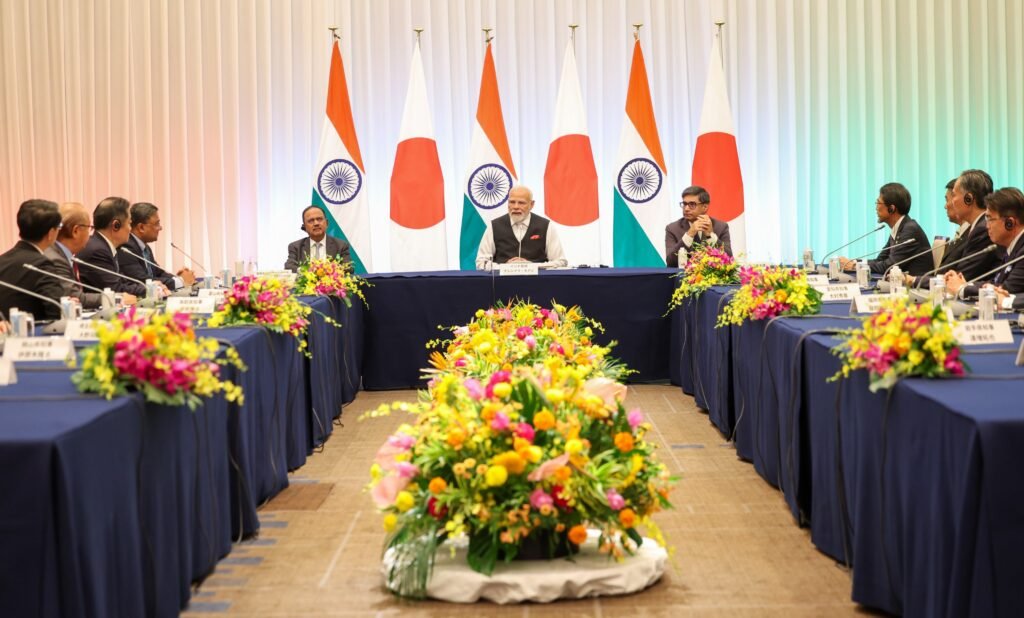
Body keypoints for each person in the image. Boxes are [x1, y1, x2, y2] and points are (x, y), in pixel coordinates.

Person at [945, 187, 1024, 307]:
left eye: (990, 219)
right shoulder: (1012, 248)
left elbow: (1006, 290)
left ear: (1010, 223)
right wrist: (966, 285)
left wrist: (962, 289)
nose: (987, 226)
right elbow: (996, 283)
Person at [43, 202, 128, 309]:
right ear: (76, 231)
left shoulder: (62, 254)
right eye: (89, 228)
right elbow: (75, 297)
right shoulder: (55, 258)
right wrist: (114, 298)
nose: (90, 234)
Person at [839, 182, 932, 276]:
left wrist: (855, 266)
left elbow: (889, 266)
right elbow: (880, 260)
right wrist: (853, 262)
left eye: (878, 203)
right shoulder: (899, 227)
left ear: (891, 208)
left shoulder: (910, 230)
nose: (876, 207)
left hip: (917, 288)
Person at [0, 199, 65, 320]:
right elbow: (57, 312)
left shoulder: (2, 259)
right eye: (59, 226)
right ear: (51, 233)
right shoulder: (41, 264)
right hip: (34, 334)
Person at [475, 185, 567, 269]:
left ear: (531, 205)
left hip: (537, 283)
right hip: (502, 283)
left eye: (521, 203)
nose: (515, 207)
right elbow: (481, 263)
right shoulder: (494, 226)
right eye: (512, 202)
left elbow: (561, 262)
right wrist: (505, 267)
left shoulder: (546, 226)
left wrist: (531, 266)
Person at [76, 197, 147, 297]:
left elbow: (123, 281)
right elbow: (115, 289)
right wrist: (149, 289)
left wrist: (149, 286)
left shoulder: (104, 246)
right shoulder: (98, 251)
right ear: (116, 225)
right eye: (129, 223)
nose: (130, 229)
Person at [117, 202, 195, 290]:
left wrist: (178, 278)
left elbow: (159, 273)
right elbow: (143, 281)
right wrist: (181, 281)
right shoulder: (126, 248)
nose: (160, 228)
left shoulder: (145, 248)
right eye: (157, 224)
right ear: (141, 227)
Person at [665, 185, 733, 266]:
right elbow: (670, 262)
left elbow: (729, 260)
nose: (686, 208)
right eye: (684, 204)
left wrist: (711, 236)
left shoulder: (721, 227)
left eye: (692, 204)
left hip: (712, 277)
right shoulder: (672, 228)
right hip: (683, 277)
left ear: (705, 207)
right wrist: (689, 235)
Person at [284, 205, 351, 272]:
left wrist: (326, 271)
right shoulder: (296, 247)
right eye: (311, 221)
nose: (316, 223)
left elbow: (348, 268)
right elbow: (289, 267)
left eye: (319, 219)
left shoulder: (341, 245)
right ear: (305, 227)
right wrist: (306, 271)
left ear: (326, 223)